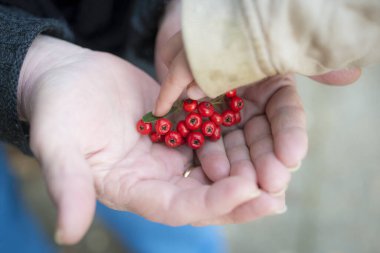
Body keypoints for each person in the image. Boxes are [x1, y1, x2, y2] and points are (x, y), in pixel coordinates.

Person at [0, 0, 290, 249]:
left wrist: (186, 8)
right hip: (90, 83)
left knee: (167, 204)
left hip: (145, 60)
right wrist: (25, 65)